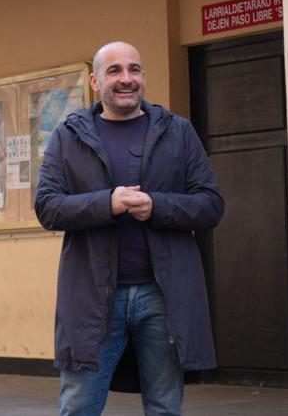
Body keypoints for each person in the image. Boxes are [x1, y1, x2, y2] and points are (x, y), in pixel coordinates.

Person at [34, 41, 224, 416]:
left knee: (165, 407)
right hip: (93, 297)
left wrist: (158, 206)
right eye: (115, 70)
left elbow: (211, 205)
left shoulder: (178, 132)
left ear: (143, 77)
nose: (126, 79)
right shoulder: (68, 136)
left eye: (134, 70)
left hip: (163, 296)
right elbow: (47, 206)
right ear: (95, 81)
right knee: (79, 407)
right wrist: (108, 203)